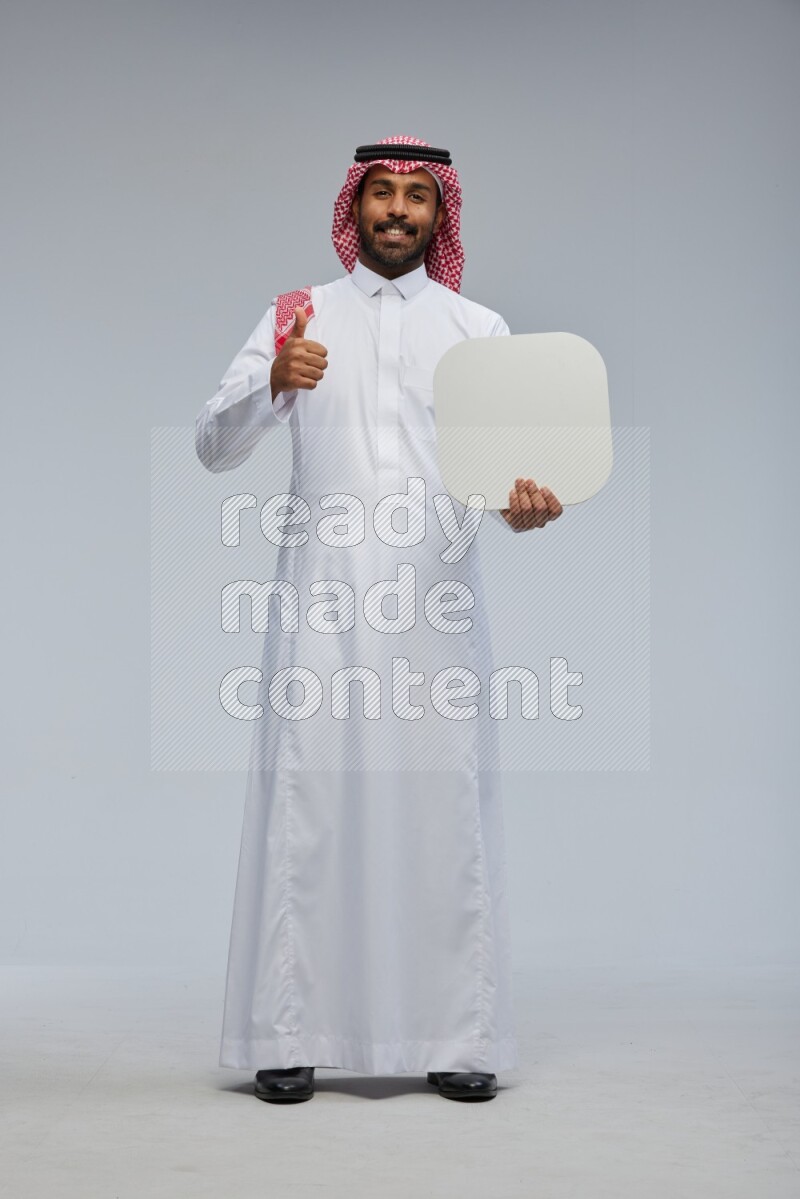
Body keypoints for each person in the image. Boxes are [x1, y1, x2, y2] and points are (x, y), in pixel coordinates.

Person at [195, 136, 562, 1104]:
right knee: (308, 811)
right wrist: (275, 381)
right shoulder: (296, 314)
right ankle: (289, 1029)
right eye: (381, 195)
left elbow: (511, 479)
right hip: (319, 606)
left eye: (416, 199)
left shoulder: (478, 329)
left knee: (444, 812)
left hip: (435, 612)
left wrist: (527, 504)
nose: (397, 212)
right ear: (351, 206)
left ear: (441, 216)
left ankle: (456, 1035)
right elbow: (210, 444)